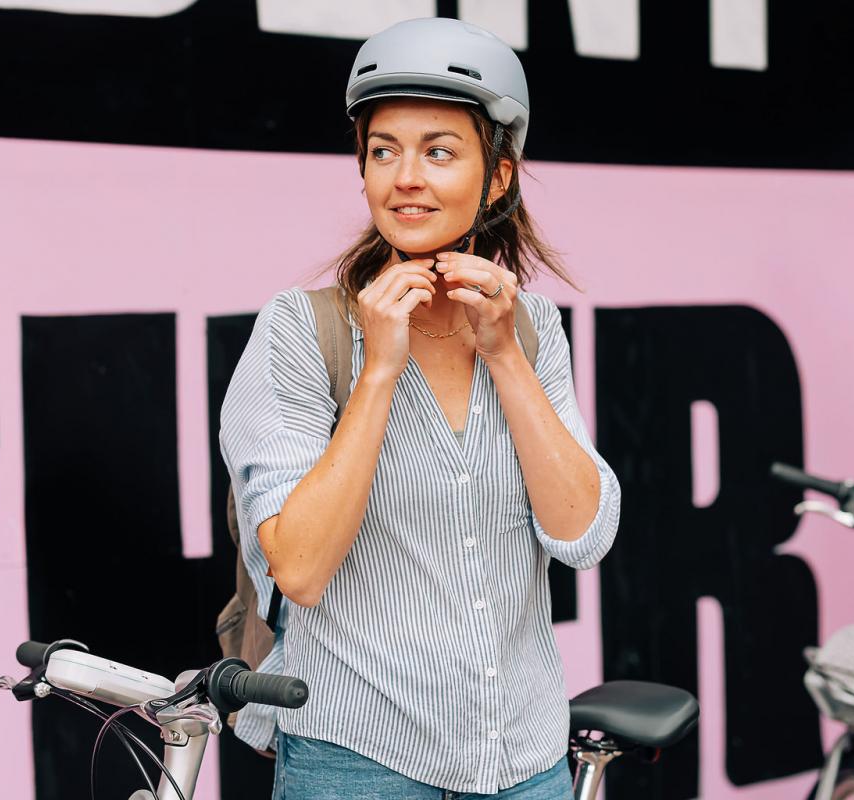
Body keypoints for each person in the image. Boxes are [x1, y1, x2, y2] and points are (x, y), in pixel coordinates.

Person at [219, 17, 619, 800]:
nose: (406, 177)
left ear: (497, 177)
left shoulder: (532, 330)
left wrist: (504, 356)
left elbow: (584, 535)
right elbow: (297, 568)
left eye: (440, 150)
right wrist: (376, 373)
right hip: (356, 762)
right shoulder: (303, 330)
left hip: (528, 761)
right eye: (383, 150)